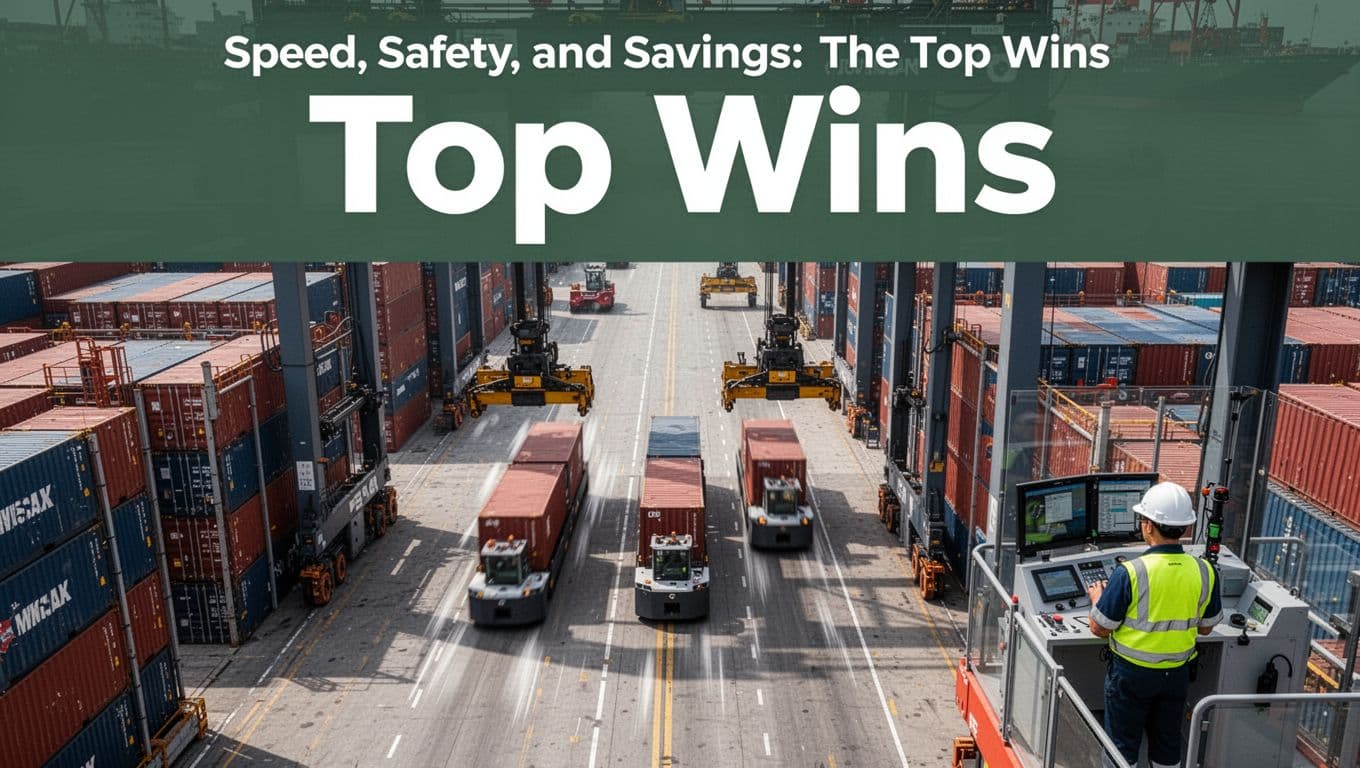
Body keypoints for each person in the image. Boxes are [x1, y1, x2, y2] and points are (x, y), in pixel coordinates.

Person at [1086, 482, 1222, 768]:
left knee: (1121, 749)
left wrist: (1098, 598)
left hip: (1130, 676)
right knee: (1167, 745)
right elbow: (1206, 628)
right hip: (1176, 675)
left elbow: (1099, 628)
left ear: (1148, 525)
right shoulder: (1205, 571)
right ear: (1185, 528)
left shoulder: (1131, 573)